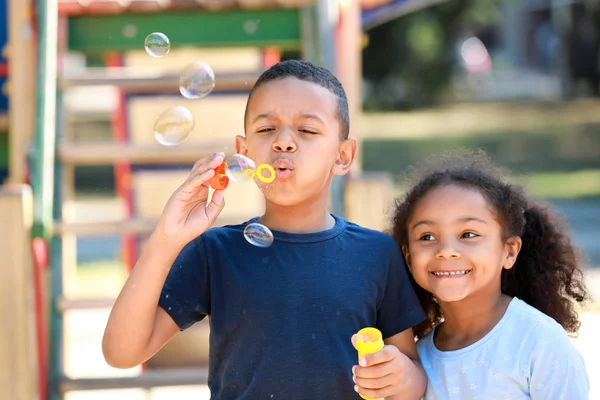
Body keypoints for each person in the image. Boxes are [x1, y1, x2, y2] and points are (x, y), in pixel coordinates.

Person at [102, 60, 427, 399]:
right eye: (266, 129)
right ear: (244, 153)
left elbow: (413, 375)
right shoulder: (216, 252)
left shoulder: (377, 254)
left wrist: (401, 377)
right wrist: (166, 240)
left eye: (307, 130)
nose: (283, 142)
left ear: (343, 156)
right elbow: (121, 352)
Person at [390, 149, 590, 399]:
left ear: (509, 251)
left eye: (468, 234)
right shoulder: (418, 363)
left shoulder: (539, 343)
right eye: (427, 237)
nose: (446, 251)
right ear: (408, 257)